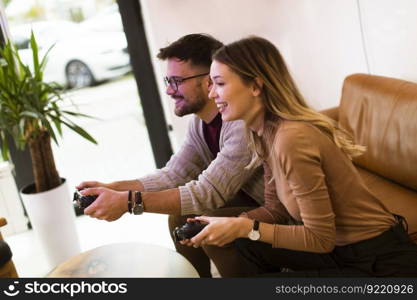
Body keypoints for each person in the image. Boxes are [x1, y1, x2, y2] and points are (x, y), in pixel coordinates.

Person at [183, 36, 417, 276]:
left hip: (379, 263)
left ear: (255, 86)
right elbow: (276, 208)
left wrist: (245, 227)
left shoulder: (292, 139)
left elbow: (319, 238)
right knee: (242, 243)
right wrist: (230, 226)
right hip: (339, 252)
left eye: (219, 83)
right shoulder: (263, 132)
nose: (212, 94)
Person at [77, 34, 265, 277]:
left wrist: (127, 202)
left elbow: (208, 193)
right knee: (179, 217)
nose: (168, 90)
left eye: (177, 81)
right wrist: (113, 188)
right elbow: (174, 174)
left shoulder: (239, 123)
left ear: (209, 81)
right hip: (247, 201)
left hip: (274, 212)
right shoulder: (201, 125)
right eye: (168, 80)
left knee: (200, 223)